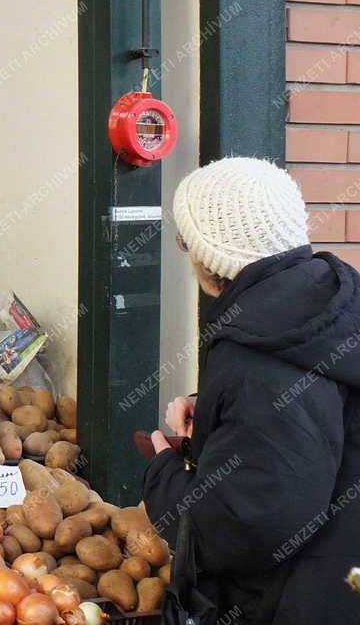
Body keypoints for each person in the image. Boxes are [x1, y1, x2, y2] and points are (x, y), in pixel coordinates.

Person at [142, 157, 360, 623]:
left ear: (213, 255)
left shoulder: (258, 355)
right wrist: (215, 408)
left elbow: (252, 522)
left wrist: (164, 476)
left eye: (186, 241)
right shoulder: (329, 306)